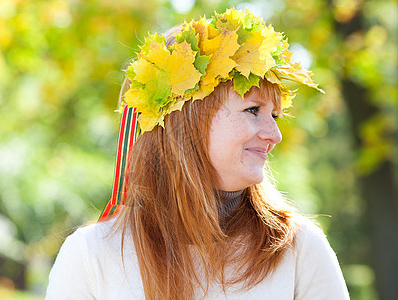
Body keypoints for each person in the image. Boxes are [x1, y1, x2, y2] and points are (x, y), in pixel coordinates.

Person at [45, 8, 350, 300]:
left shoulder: (298, 250)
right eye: (253, 109)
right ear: (185, 121)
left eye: (275, 116)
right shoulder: (92, 256)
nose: (274, 134)